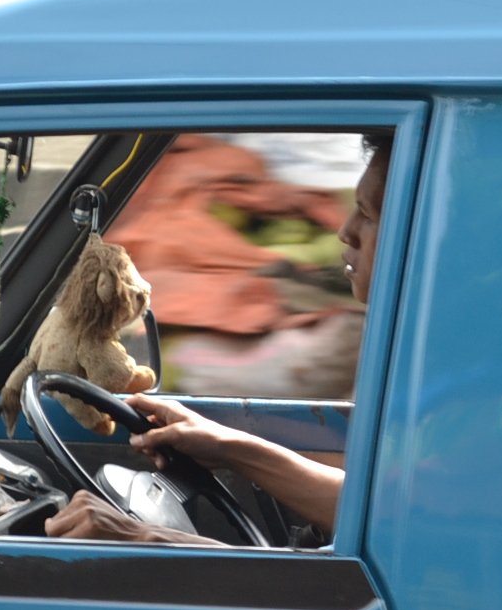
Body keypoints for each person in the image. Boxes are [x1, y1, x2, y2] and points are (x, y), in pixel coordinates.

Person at [43, 132, 390, 543]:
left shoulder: (449, 391)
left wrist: (151, 541)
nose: (346, 231)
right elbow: (372, 508)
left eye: (367, 214)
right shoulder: (408, 354)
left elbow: (370, 566)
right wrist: (229, 446)